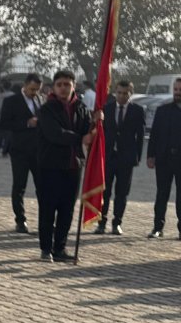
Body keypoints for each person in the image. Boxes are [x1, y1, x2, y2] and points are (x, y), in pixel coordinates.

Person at [35, 70, 98, 263]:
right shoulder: (47, 109)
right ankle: (46, 248)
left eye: (67, 84)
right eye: (60, 84)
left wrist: (97, 122)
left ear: (74, 86)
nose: (63, 88)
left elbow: (89, 130)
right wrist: (80, 138)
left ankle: (60, 247)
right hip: (50, 166)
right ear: (54, 87)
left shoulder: (81, 108)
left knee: (67, 209)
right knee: (48, 208)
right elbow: (55, 134)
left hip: (73, 166)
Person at [96, 81, 145, 235]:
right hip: (109, 157)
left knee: (122, 192)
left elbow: (140, 136)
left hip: (126, 158)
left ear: (131, 93)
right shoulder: (107, 108)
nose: (122, 96)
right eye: (119, 93)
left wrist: (137, 156)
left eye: (126, 93)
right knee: (105, 191)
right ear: (115, 92)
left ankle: (117, 222)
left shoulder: (137, 110)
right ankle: (101, 223)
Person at [0, 74, 44, 233]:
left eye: (37, 90)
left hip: (38, 150)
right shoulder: (11, 101)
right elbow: (3, 123)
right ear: (25, 85)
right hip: (19, 150)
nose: (34, 92)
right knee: (19, 185)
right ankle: (20, 219)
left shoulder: (40, 100)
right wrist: (26, 123)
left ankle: (44, 220)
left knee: (43, 186)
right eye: (32, 89)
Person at [147, 78, 181, 239]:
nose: (178, 92)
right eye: (176, 89)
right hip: (164, 159)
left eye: (180, 90)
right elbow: (154, 135)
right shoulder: (163, 110)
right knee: (162, 194)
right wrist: (150, 156)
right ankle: (157, 227)